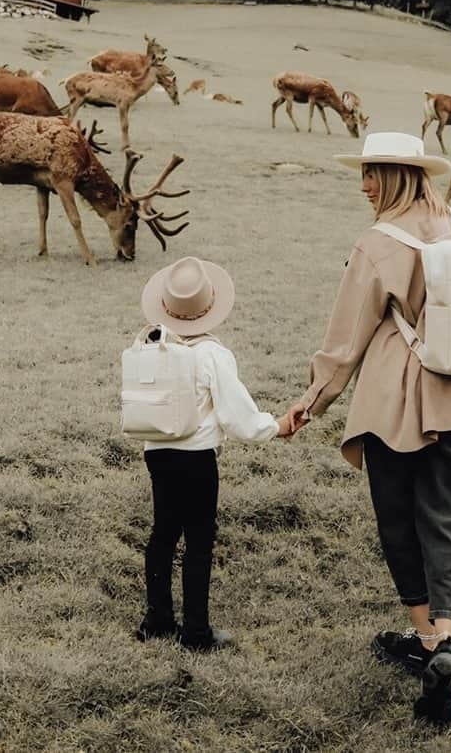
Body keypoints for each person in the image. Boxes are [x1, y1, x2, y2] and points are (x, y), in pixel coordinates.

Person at [287, 132, 451, 725]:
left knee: (398, 518)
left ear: (395, 175)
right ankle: (447, 632)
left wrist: (310, 403)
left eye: (370, 174)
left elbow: (346, 341)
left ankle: (430, 645)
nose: (363, 186)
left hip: (390, 403)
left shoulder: (377, 243)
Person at [136, 256, 293, 651]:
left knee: (163, 533)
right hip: (196, 457)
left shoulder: (146, 343)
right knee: (199, 539)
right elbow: (237, 416)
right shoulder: (212, 355)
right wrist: (276, 425)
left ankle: (156, 620)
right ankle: (197, 631)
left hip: (157, 452)